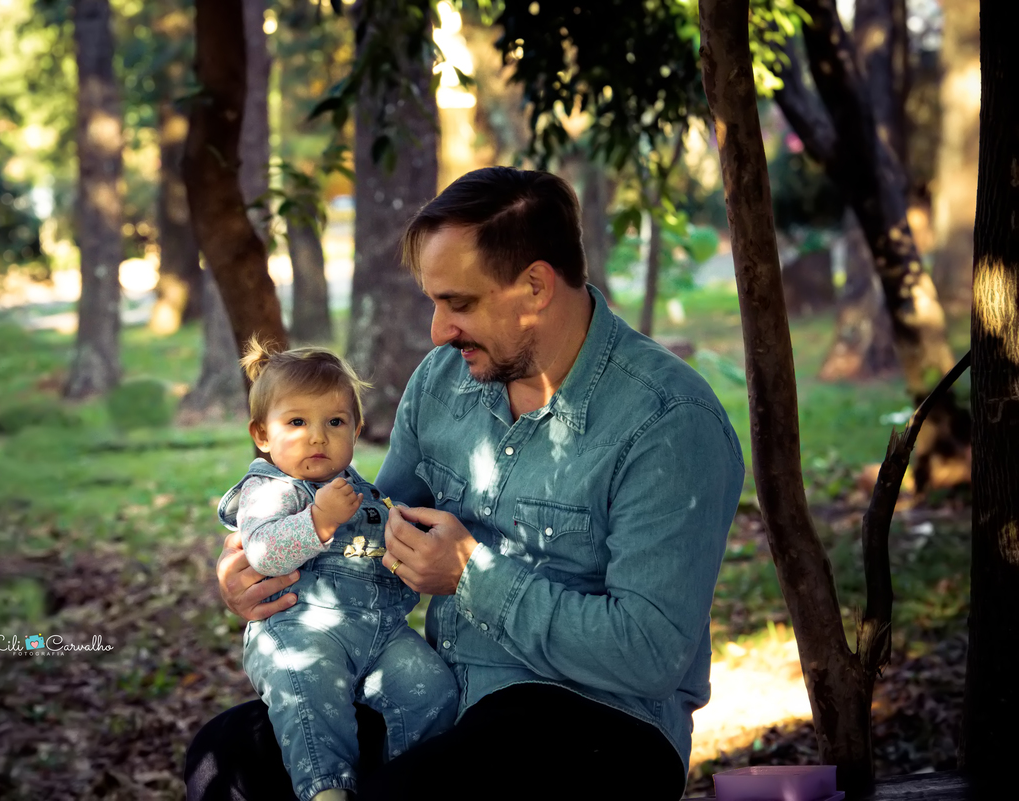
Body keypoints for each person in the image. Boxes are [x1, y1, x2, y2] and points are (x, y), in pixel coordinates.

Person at [185, 167, 745, 801]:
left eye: (460, 303)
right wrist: (267, 568)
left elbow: (649, 653)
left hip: (597, 719)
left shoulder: (668, 422)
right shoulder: (443, 380)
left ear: (536, 286)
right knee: (224, 758)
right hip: (444, 695)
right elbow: (377, 533)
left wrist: (471, 576)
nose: (438, 331)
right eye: (435, 302)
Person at [215, 339, 458, 801]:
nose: (317, 437)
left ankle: (410, 780)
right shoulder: (270, 489)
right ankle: (326, 790)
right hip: (300, 630)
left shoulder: (361, 493)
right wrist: (317, 521)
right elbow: (264, 552)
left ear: (356, 429)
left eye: (335, 422)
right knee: (309, 692)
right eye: (297, 422)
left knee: (432, 688)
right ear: (262, 435)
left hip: (381, 631)